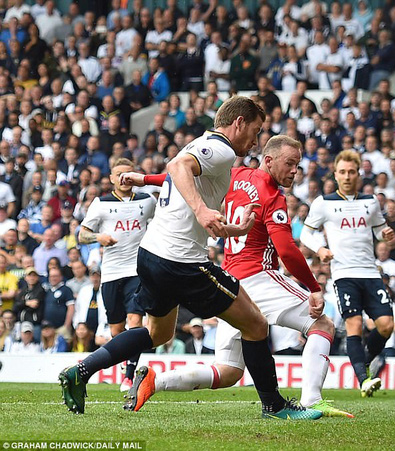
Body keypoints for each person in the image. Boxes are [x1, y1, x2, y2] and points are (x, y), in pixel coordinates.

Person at [59, 96, 320, 420]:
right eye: (254, 131)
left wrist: (232, 228)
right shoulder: (221, 149)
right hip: (182, 263)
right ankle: (274, 406)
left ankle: (81, 370)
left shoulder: (204, 148)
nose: (255, 142)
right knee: (255, 324)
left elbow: (181, 187)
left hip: (151, 254)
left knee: (158, 334)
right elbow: (177, 168)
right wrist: (201, 209)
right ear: (237, 122)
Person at [121, 135, 351, 417]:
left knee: (228, 371)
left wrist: (143, 179)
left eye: (298, 165)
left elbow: (181, 179)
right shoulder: (271, 194)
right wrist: (314, 287)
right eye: (290, 163)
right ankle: (312, 400)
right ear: (269, 160)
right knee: (323, 324)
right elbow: (287, 250)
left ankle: (157, 381)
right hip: (260, 276)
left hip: (231, 287)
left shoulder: (234, 175)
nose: (295, 171)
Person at [300, 149, 395, 397]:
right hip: (344, 274)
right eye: (342, 172)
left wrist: (388, 236)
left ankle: (362, 360)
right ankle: (364, 379)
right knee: (354, 324)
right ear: (335, 173)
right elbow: (306, 233)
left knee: (386, 325)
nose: (347, 176)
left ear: (358, 174)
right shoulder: (324, 203)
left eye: (351, 172)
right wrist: (320, 248)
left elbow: (380, 232)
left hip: (370, 272)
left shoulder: (370, 202)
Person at [78, 158, 156, 391]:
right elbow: (82, 235)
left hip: (137, 270)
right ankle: (125, 367)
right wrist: (98, 238)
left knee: (135, 321)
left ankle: (129, 376)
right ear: (111, 179)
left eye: (128, 174)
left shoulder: (147, 201)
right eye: (119, 174)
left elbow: (162, 224)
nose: (124, 178)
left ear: (134, 176)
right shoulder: (101, 203)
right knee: (116, 329)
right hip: (111, 273)